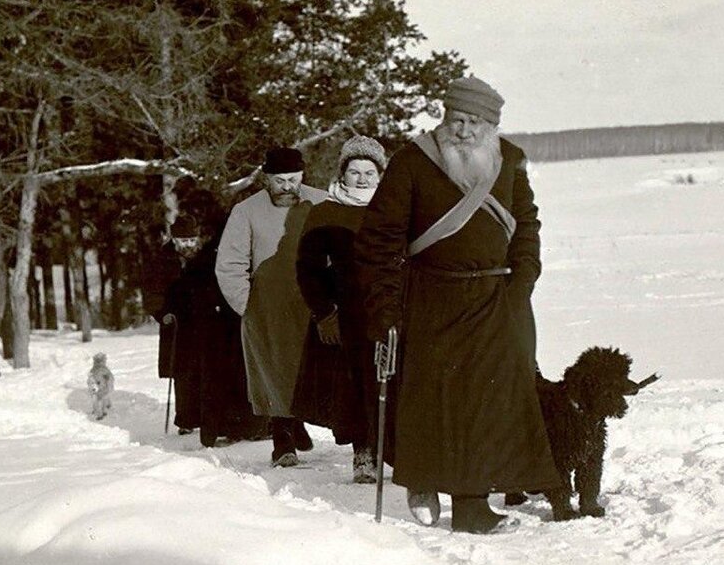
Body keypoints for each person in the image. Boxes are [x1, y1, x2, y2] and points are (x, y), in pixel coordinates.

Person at [355, 76, 560, 534]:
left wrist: (524, 277)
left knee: (490, 401)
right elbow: (380, 240)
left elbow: (526, 222)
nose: (464, 130)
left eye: (475, 122)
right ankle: (423, 479)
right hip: (431, 297)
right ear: (444, 117)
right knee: (437, 401)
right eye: (457, 119)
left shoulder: (509, 161)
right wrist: (385, 307)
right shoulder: (412, 162)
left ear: (491, 126)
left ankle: (472, 504)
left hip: (498, 297)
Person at [216, 145, 324, 467]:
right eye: (280, 181)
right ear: (266, 179)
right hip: (268, 306)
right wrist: (248, 305)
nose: (288, 187)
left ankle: (299, 420)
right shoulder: (246, 211)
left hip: (312, 301)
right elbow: (230, 263)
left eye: (293, 179)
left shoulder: (321, 202)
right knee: (275, 369)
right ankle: (282, 441)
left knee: (310, 367)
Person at [291, 136, 388, 484]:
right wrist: (324, 313)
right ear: (342, 174)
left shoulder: (393, 211)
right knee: (356, 386)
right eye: (354, 171)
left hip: (390, 311)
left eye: (369, 172)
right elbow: (307, 270)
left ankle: (394, 452)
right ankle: (363, 454)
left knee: (395, 381)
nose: (361, 179)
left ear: (380, 176)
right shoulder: (325, 213)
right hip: (347, 316)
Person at [150, 211, 265, 446]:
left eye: (192, 240)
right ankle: (187, 419)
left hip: (207, 324)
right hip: (178, 325)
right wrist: (162, 314)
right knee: (184, 373)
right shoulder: (162, 261)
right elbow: (153, 292)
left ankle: (216, 419)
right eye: (183, 241)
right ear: (174, 240)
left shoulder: (207, 258)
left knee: (208, 373)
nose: (188, 245)